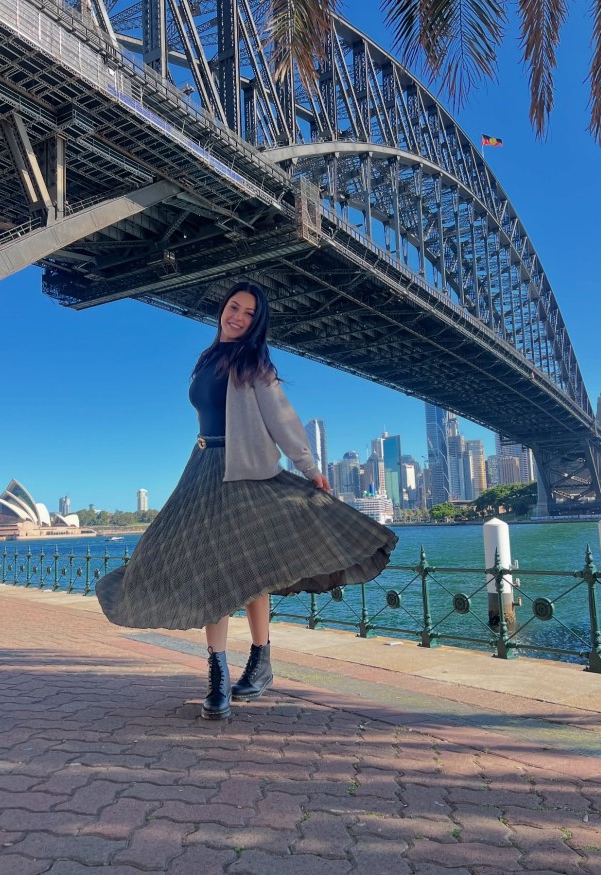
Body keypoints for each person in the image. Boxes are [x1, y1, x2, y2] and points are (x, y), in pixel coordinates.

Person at [97, 281, 398, 719]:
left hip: (245, 471)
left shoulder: (254, 364)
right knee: (212, 570)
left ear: (257, 323)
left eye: (248, 313)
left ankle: (259, 663)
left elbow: (283, 419)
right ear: (223, 309)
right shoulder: (207, 360)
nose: (236, 316)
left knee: (246, 567)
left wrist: (310, 468)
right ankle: (219, 675)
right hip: (202, 470)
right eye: (233, 307)